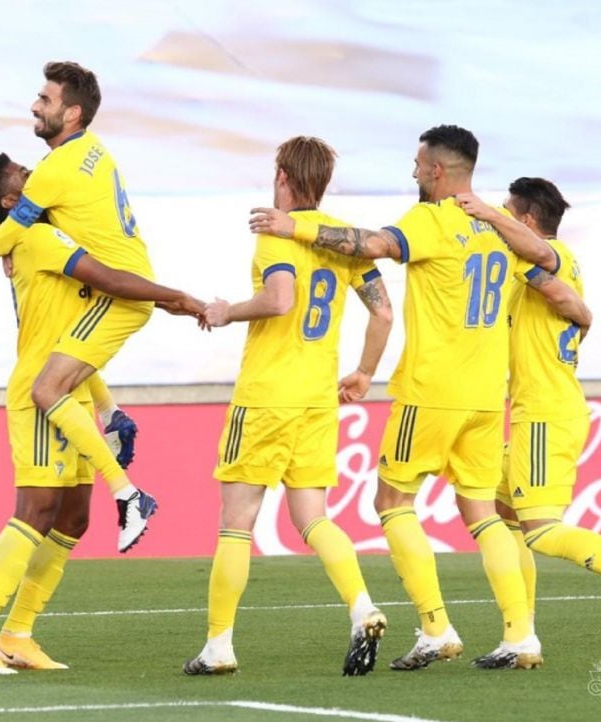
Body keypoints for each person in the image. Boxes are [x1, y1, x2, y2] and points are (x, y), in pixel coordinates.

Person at [249, 125, 570, 670]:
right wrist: (496, 217)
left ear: (438, 171)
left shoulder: (431, 218)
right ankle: (521, 635)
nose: (414, 172)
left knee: (392, 503)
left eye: (419, 165)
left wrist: (296, 227)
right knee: (483, 513)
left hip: (431, 391)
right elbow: (549, 259)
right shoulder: (500, 225)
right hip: (488, 398)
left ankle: (435, 627)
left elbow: (371, 245)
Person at [0, 153, 203, 675]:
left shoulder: (37, 237)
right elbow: (108, 278)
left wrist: (108, 406)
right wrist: (175, 297)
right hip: (41, 394)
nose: (36, 175)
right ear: (10, 202)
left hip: (71, 388)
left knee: (72, 518)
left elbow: (72, 338)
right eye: (25, 175)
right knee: (36, 511)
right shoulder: (37, 240)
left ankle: (17, 633)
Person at [182, 137, 394, 677]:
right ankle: (362, 607)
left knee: (236, 522)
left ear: (281, 174)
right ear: (323, 182)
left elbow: (280, 300)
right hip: (318, 400)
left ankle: (218, 646)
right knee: (314, 517)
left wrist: (228, 311)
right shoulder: (340, 241)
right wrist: (366, 372)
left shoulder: (275, 234)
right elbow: (384, 314)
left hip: (266, 398)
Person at [0, 61, 166, 552]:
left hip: (121, 288)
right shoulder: (93, 152)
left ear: (72, 113)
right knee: (65, 355)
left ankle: (128, 494)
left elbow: (4, 234)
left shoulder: (51, 174)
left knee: (48, 387)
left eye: (45, 99)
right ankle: (112, 421)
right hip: (128, 281)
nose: (35, 105)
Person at [459, 179, 601, 621]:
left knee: (542, 532)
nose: (502, 217)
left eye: (509, 212)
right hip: (537, 410)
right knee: (499, 509)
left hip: (546, 414)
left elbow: (555, 280)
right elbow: (571, 306)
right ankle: (521, 631)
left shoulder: (553, 257)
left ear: (528, 221)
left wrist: (487, 215)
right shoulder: (531, 273)